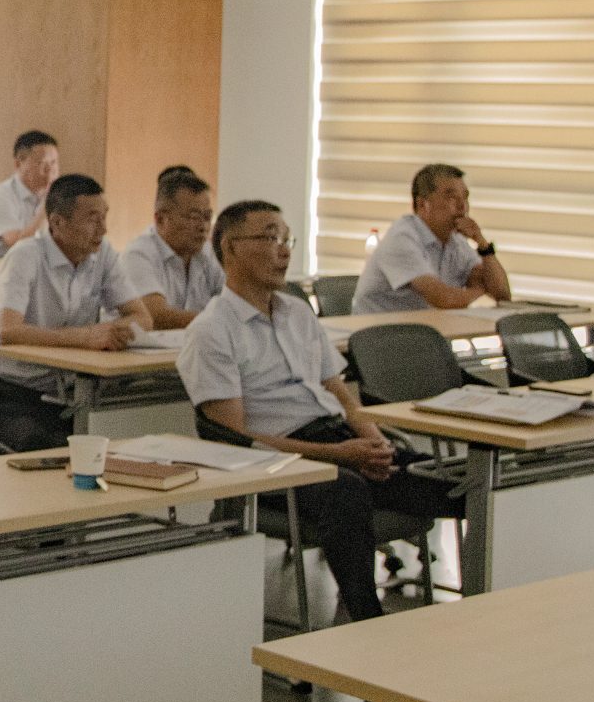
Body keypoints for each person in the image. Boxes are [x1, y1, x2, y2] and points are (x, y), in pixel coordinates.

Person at [183, 200, 462, 622]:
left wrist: (376, 444)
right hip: (277, 465)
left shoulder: (297, 312)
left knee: (454, 481)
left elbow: (343, 397)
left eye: (287, 239)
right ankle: (366, 622)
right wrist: (338, 456)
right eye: (270, 237)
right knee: (345, 490)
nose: (283, 250)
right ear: (231, 247)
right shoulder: (211, 331)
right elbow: (237, 442)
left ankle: (488, 605)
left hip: (338, 441)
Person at [0, 174, 154, 452]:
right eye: (92, 219)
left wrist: (118, 331)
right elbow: (9, 331)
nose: (103, 229)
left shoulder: (103, 254)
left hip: (77, 391)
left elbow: (142, 317)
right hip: (18, 394)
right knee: (64, 452)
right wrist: (86, 337)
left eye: (104, 217)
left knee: (127, 444)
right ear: (57, 222)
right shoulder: (25, 255)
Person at [354, 164, 512, 314]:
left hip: (425, 329)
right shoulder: (401, 238)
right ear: (422, 205)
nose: (462, 206)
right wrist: (479, 290)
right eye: (451, 197)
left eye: (465, 197)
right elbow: (444, 299)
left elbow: (502, 295)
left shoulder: (456, 241)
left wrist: (482, 244)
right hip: (378, 331)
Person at [119, 166, 226, 329]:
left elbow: (235, 303)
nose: (203, 226)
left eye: (207, 217)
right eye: (194, 217)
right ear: (161, 220)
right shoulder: (138, 255)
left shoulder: (209, 253)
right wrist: (223, 322)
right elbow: (156, 316)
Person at [0, 130, 60, 260]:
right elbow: (18, 245)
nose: (50, 170)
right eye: (42, 163)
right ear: (18, 164)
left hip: (32, 268)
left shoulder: (53, 195)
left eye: (53, 162)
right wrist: (47, 208)